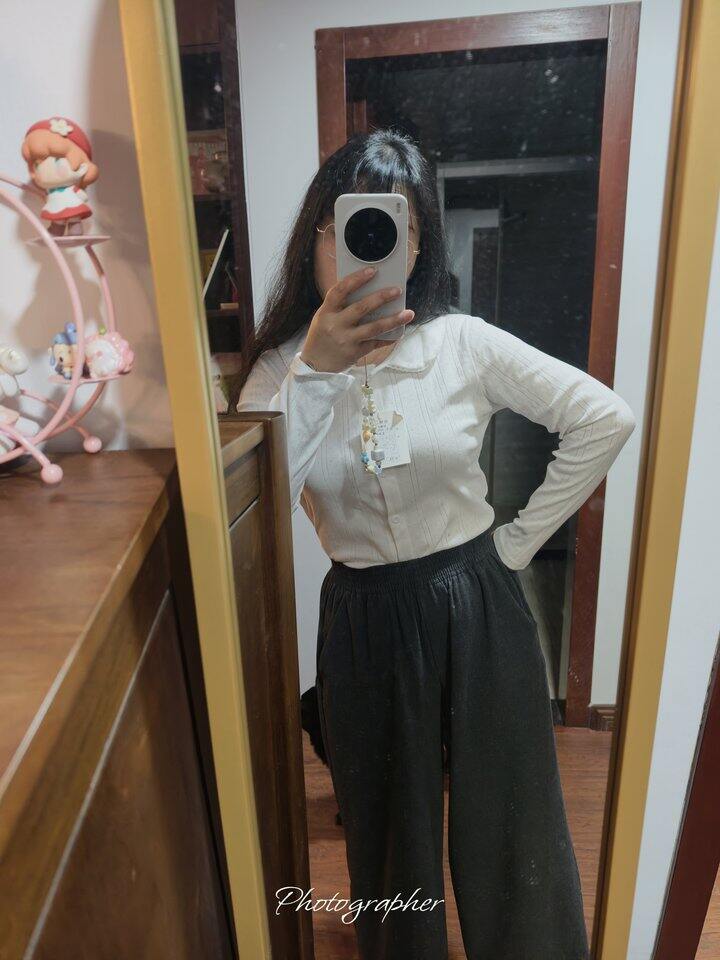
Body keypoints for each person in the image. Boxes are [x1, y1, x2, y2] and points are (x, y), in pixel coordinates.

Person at [237, 128, 635, 960]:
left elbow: (604, 416)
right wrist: (316, 371)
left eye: (400, 228)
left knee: (510, 814)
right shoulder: (277, 373)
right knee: (386, 832)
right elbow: (253, 510)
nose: (375, 247)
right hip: (363, 617)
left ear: (418, 245)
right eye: (354, 226)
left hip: (476, 596)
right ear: (318, 234)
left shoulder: (462, 344)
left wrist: (516, 545)